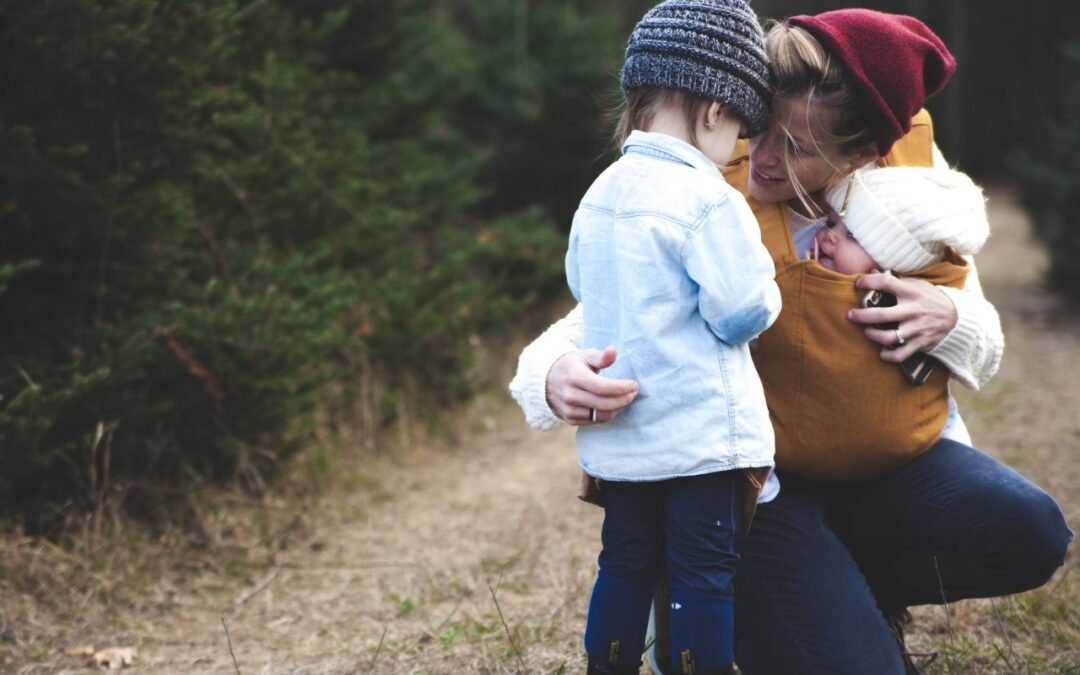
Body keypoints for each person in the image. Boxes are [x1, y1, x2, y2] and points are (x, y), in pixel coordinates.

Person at [510, 8, 1073, 673]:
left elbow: (983, 335)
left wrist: (952, 317)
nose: (766, 159)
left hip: (884, 472)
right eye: (762, 129)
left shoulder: (908, 186)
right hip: (757, 490)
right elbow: (610, 302)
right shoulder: (707, 174)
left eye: (799, 147)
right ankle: (749, 592)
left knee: (1033, 530)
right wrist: (548, 374)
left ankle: (840, 592)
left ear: (862, 153)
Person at [565, 1, 779, 673]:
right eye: (740, 129)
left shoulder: (598, 193)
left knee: (625, 562)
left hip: (624, 438)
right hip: (700, 440)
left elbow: (581, 285)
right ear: (715, 109)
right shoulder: (706, 197)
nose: (737, 149)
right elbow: (742, 309)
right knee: (702, 577)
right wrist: (768, 289)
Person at [754, 164, 992, 483]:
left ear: (890, 265)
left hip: (912, 452)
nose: (827, 236)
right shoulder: (791, 257)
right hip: (796, 457)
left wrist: (954, 317)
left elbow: (983, 358)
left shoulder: (917, 284)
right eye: (832, 223)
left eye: (850, 235)